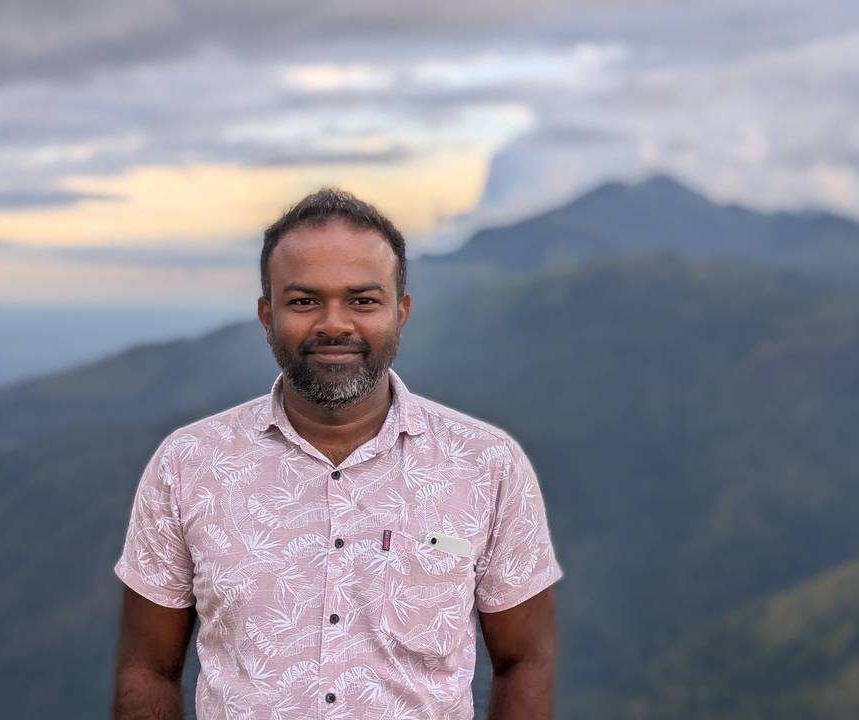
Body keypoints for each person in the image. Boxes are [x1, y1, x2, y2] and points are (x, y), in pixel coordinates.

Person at [113, 189, 562, 720]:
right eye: (304, 301)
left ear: (400, 312)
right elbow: (147, 668)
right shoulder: (187, 465)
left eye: (362, 301)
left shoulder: (487, 465)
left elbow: (525, 662)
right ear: (267, 315)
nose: (334, 324)